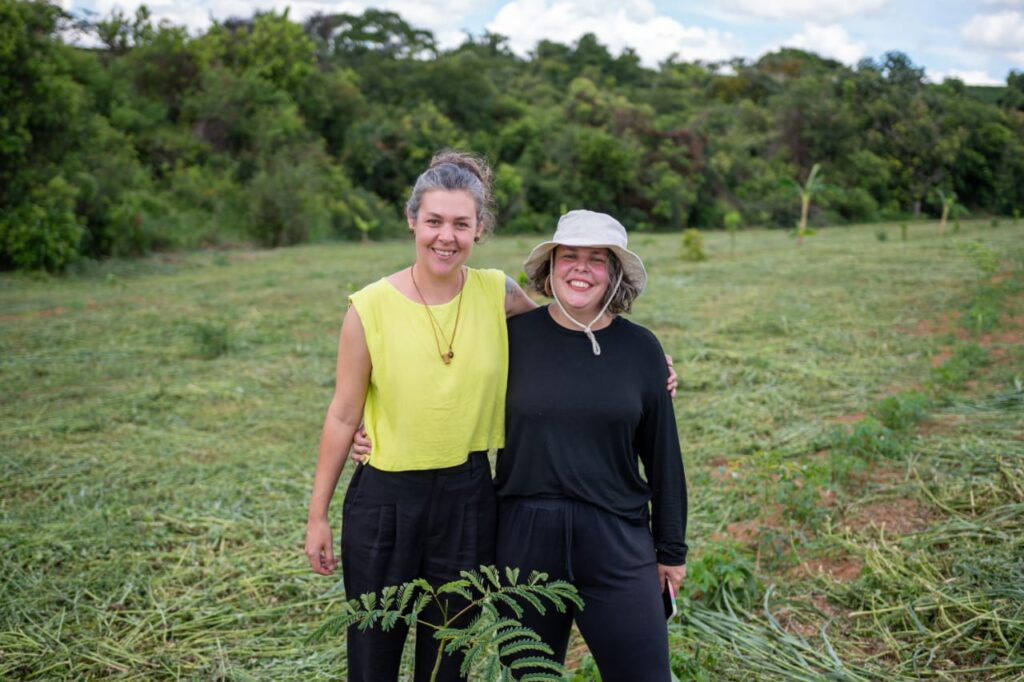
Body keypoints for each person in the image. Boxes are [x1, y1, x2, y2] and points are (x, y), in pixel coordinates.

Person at [304, 150, 537, 682]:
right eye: (433, 221)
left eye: (461, 223)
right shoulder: (368, 308)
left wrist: (642, 360)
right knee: (373, 652)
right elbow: (343, 416)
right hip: (384, 500)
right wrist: (317, 515)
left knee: (447, 657)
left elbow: (560, 341)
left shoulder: (497, 292)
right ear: (412, 220)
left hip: (470, 497)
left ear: (479, 229)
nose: (445, 237)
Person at [494, 210, 688, 681]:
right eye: (570, 256)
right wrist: (370, 431)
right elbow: (449, 401)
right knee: (531, 677)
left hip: (616, 537)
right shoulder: (510, 339)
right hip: (524, 538)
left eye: (596, 259)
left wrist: (671, 549)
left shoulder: (641, 349)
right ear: (551, 266)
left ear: (614, 273)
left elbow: (664, 458)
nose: (581, 268)